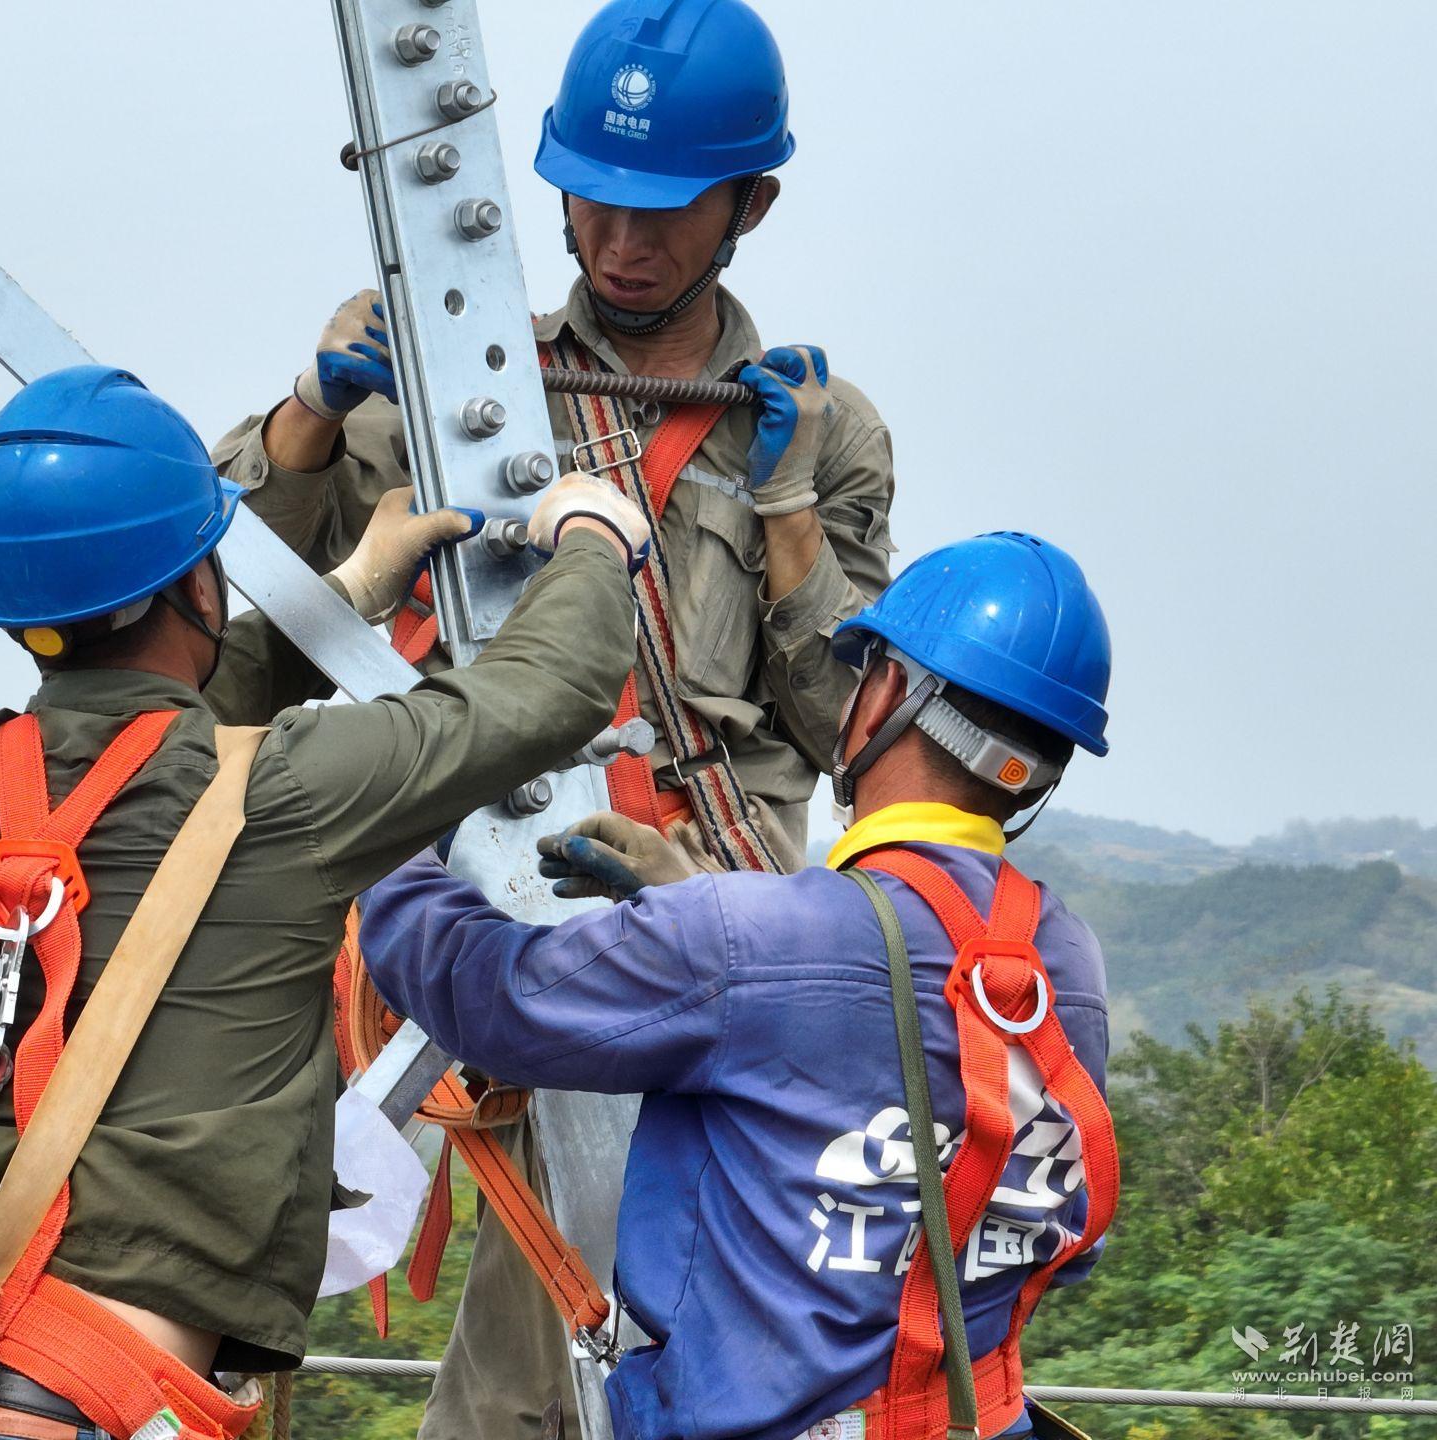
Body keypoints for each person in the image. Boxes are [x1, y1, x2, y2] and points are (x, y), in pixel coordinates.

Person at [215, 3, 897, 1424]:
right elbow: (220, 611)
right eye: (596, 201)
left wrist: (780, 512)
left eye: (666, 210)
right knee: (527, 1339)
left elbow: (850, 732)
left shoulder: (823, 434)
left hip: (713, 914)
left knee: (703, 1307)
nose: (622, 242)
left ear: (748, 206)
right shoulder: (465, 384)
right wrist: (307, 416)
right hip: (498, 908)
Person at [0, 365, 652, 1440]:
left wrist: (347, 595)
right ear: (197, 583)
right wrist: (596, 538)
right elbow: (544, 695)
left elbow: (140, 743)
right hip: (112, 1394)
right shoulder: (287, 792)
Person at [358, 532, 1118, 1440]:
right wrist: (692, 901)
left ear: (889, 691)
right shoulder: (1061, 962)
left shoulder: (746, 940)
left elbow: (489, 999)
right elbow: (1050, 1228)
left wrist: (381, 838)